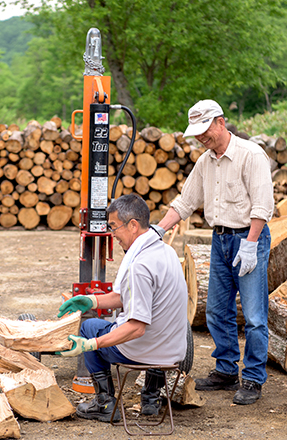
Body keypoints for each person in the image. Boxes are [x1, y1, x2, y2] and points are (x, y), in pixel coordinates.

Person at [155, 99, 274, 405]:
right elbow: (185, 202)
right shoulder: (206, 161)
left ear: (220, 122)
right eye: (197, 132)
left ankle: (253, 378)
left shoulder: (251, 155)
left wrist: (250, 244)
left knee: (255, 315)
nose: (201, 137)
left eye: (205, 130)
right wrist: (158, 230)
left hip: (249, 238)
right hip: (219, 239)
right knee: (216, 311)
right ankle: (225, 370)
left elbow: (262, 205)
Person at [56, 194, 188, 422]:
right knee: (106, 323)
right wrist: (92, 301)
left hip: (144, 350)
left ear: (133, 225)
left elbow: (136, 328)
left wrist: (91, 344)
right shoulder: (167, 252)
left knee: (89, 327)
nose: (113, 234)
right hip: (174, 351)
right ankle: (151, 398)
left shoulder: (139, 265)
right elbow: (126, 296)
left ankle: (105, 403)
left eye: (115, 227)